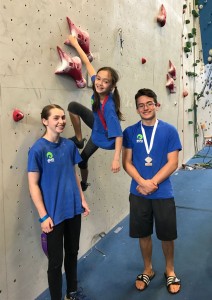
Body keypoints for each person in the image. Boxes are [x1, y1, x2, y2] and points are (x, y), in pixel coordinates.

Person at [122, 89, 182, 294]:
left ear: (157, 105)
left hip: (163, 192)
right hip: (138, 192)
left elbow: (173, 162)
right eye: (141, 105)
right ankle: (148, 269)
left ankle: (170, 270)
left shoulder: (169, 131)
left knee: (166, 235)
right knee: (144, 234)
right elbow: (126, 162)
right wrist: (141, 182)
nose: (145, 108)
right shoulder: (130, 132)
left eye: (149, 103)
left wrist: (152, 183)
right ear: (136, 108)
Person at [28, 104, 90, 300]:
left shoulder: (69, 146)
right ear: (45, 121)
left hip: (73, 209)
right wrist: (43, 216)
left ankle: (72, 292)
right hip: (53, 216)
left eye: (63, 117)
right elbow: (33, 185)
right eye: (56, 118)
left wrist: (82, 199)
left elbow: (72, 173)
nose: (62, 121)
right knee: (55, 262)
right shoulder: (38, 149)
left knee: (72, 252)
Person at [67, 35, 124, 191]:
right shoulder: (97, 87)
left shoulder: (109, 108)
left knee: (82, 160)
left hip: (102, 136)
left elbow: (119, 135)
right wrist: (75, 44)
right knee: (72, 106)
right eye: (98, 79)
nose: (99, 83)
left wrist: (116, 159)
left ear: (111, 86)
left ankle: (84, 183)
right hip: (96, 122)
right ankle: (79, 139)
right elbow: (86, 62)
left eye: (105, 81)